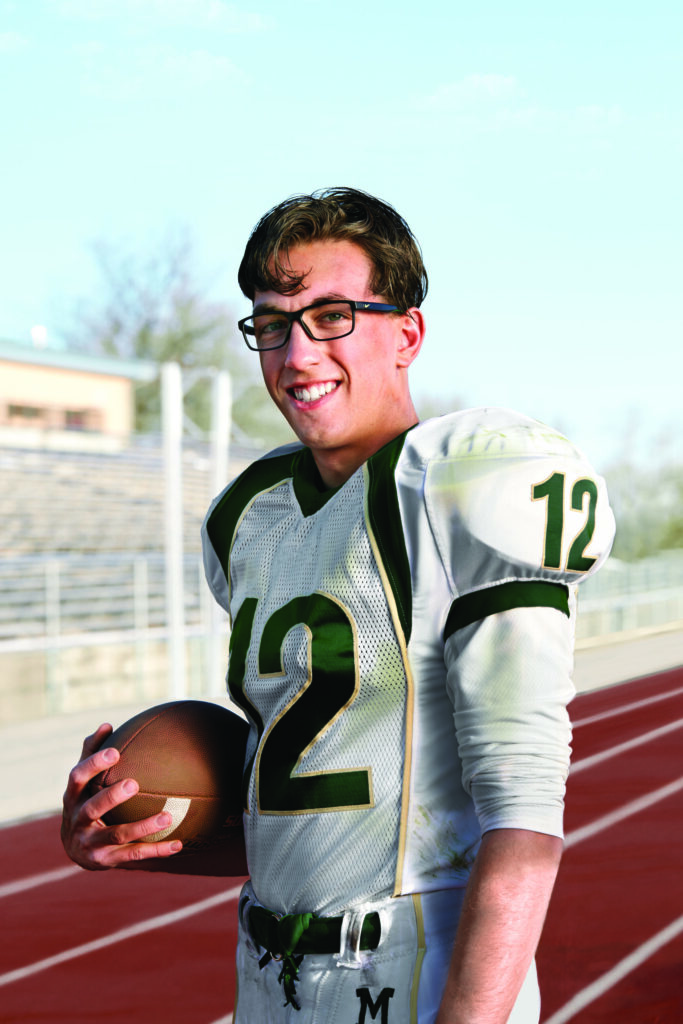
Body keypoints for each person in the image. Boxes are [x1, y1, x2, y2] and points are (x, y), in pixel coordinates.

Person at [62, 187, 615, 1023]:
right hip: (267, 970)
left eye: (330, 316)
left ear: (406, 333)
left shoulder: (465, 483)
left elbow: (525, 823)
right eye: (273, 324)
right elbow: (312, 817)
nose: (296, 353)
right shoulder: (250, 518)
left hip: (422, 970)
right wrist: (134, 834)